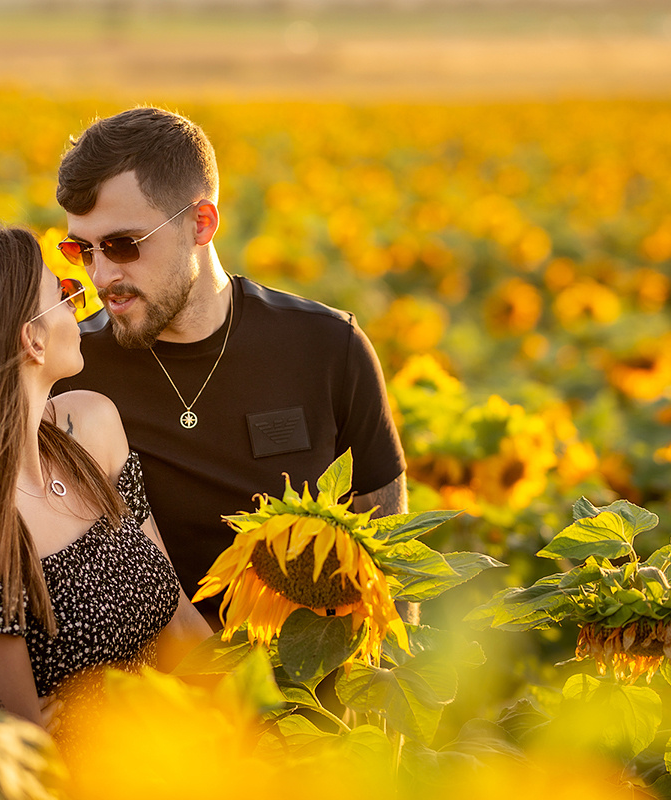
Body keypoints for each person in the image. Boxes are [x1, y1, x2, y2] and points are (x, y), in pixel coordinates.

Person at [53, 107, 408, 622]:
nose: (101, 275)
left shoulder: (328, 347)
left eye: (122, 245)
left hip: (313, 670)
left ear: (201, 223)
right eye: (81, 250)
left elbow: (388, 558)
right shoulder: (70, 373)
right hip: (149, 674)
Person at [0, 225, 211, 736]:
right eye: (62, 294)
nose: (81, 303)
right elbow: (17, 736)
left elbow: (182, 623)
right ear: (31, 339)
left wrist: (264, 725)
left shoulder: (93, 425)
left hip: (182, 741)